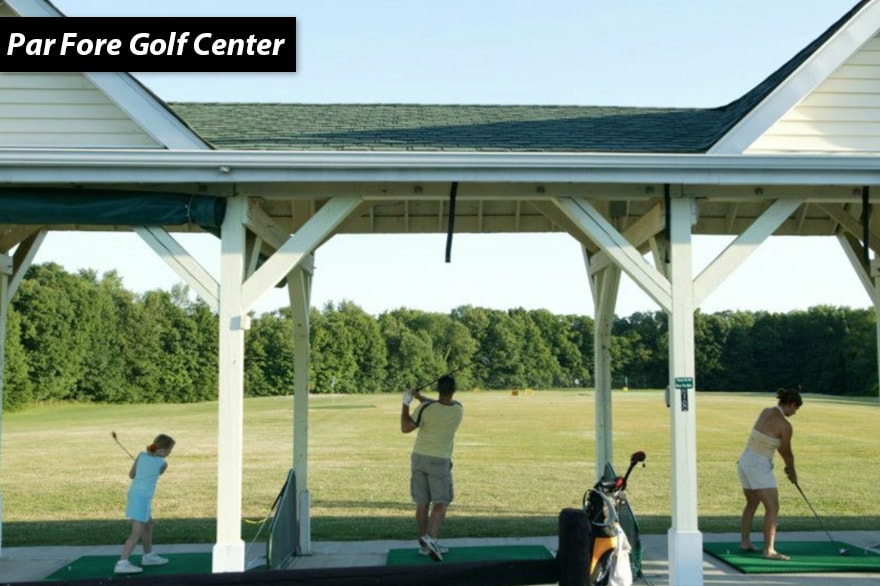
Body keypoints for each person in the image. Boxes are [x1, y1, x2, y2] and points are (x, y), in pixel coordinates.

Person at [400, 374, 463, 562]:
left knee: (422, 503)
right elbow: (439, 405)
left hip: (419, 458)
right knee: (441, 503)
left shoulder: (425, 409)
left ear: (437, 389)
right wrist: (420, 398)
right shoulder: (458, 409)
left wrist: (406, 403)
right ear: (453, 391)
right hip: (439, 461)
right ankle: (431, 539)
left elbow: (405, 427)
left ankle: (424, 546)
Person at [737, 388, 802, 561]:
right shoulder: (785, 426)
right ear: (791, 404)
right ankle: (769, 550)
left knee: (751, 503)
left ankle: (745, 542)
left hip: (744, 462)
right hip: (758, 466)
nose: (795, 413)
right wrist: (792, 472)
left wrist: (789, 468)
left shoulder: (766, 411)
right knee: (772, 508)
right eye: (795, 409)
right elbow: (786, 452)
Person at [114, 434, 176, 574]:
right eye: (169, 450)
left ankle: (148, 556)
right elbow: (156, 473)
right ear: (163, 449)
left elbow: (131, 475)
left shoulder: (141, 455)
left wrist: (142, 466)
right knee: (136, 532)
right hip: (142, 498)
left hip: (136, 494)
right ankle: (122, 563)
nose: (170, 453)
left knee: (147, 525)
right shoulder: (163, 463)